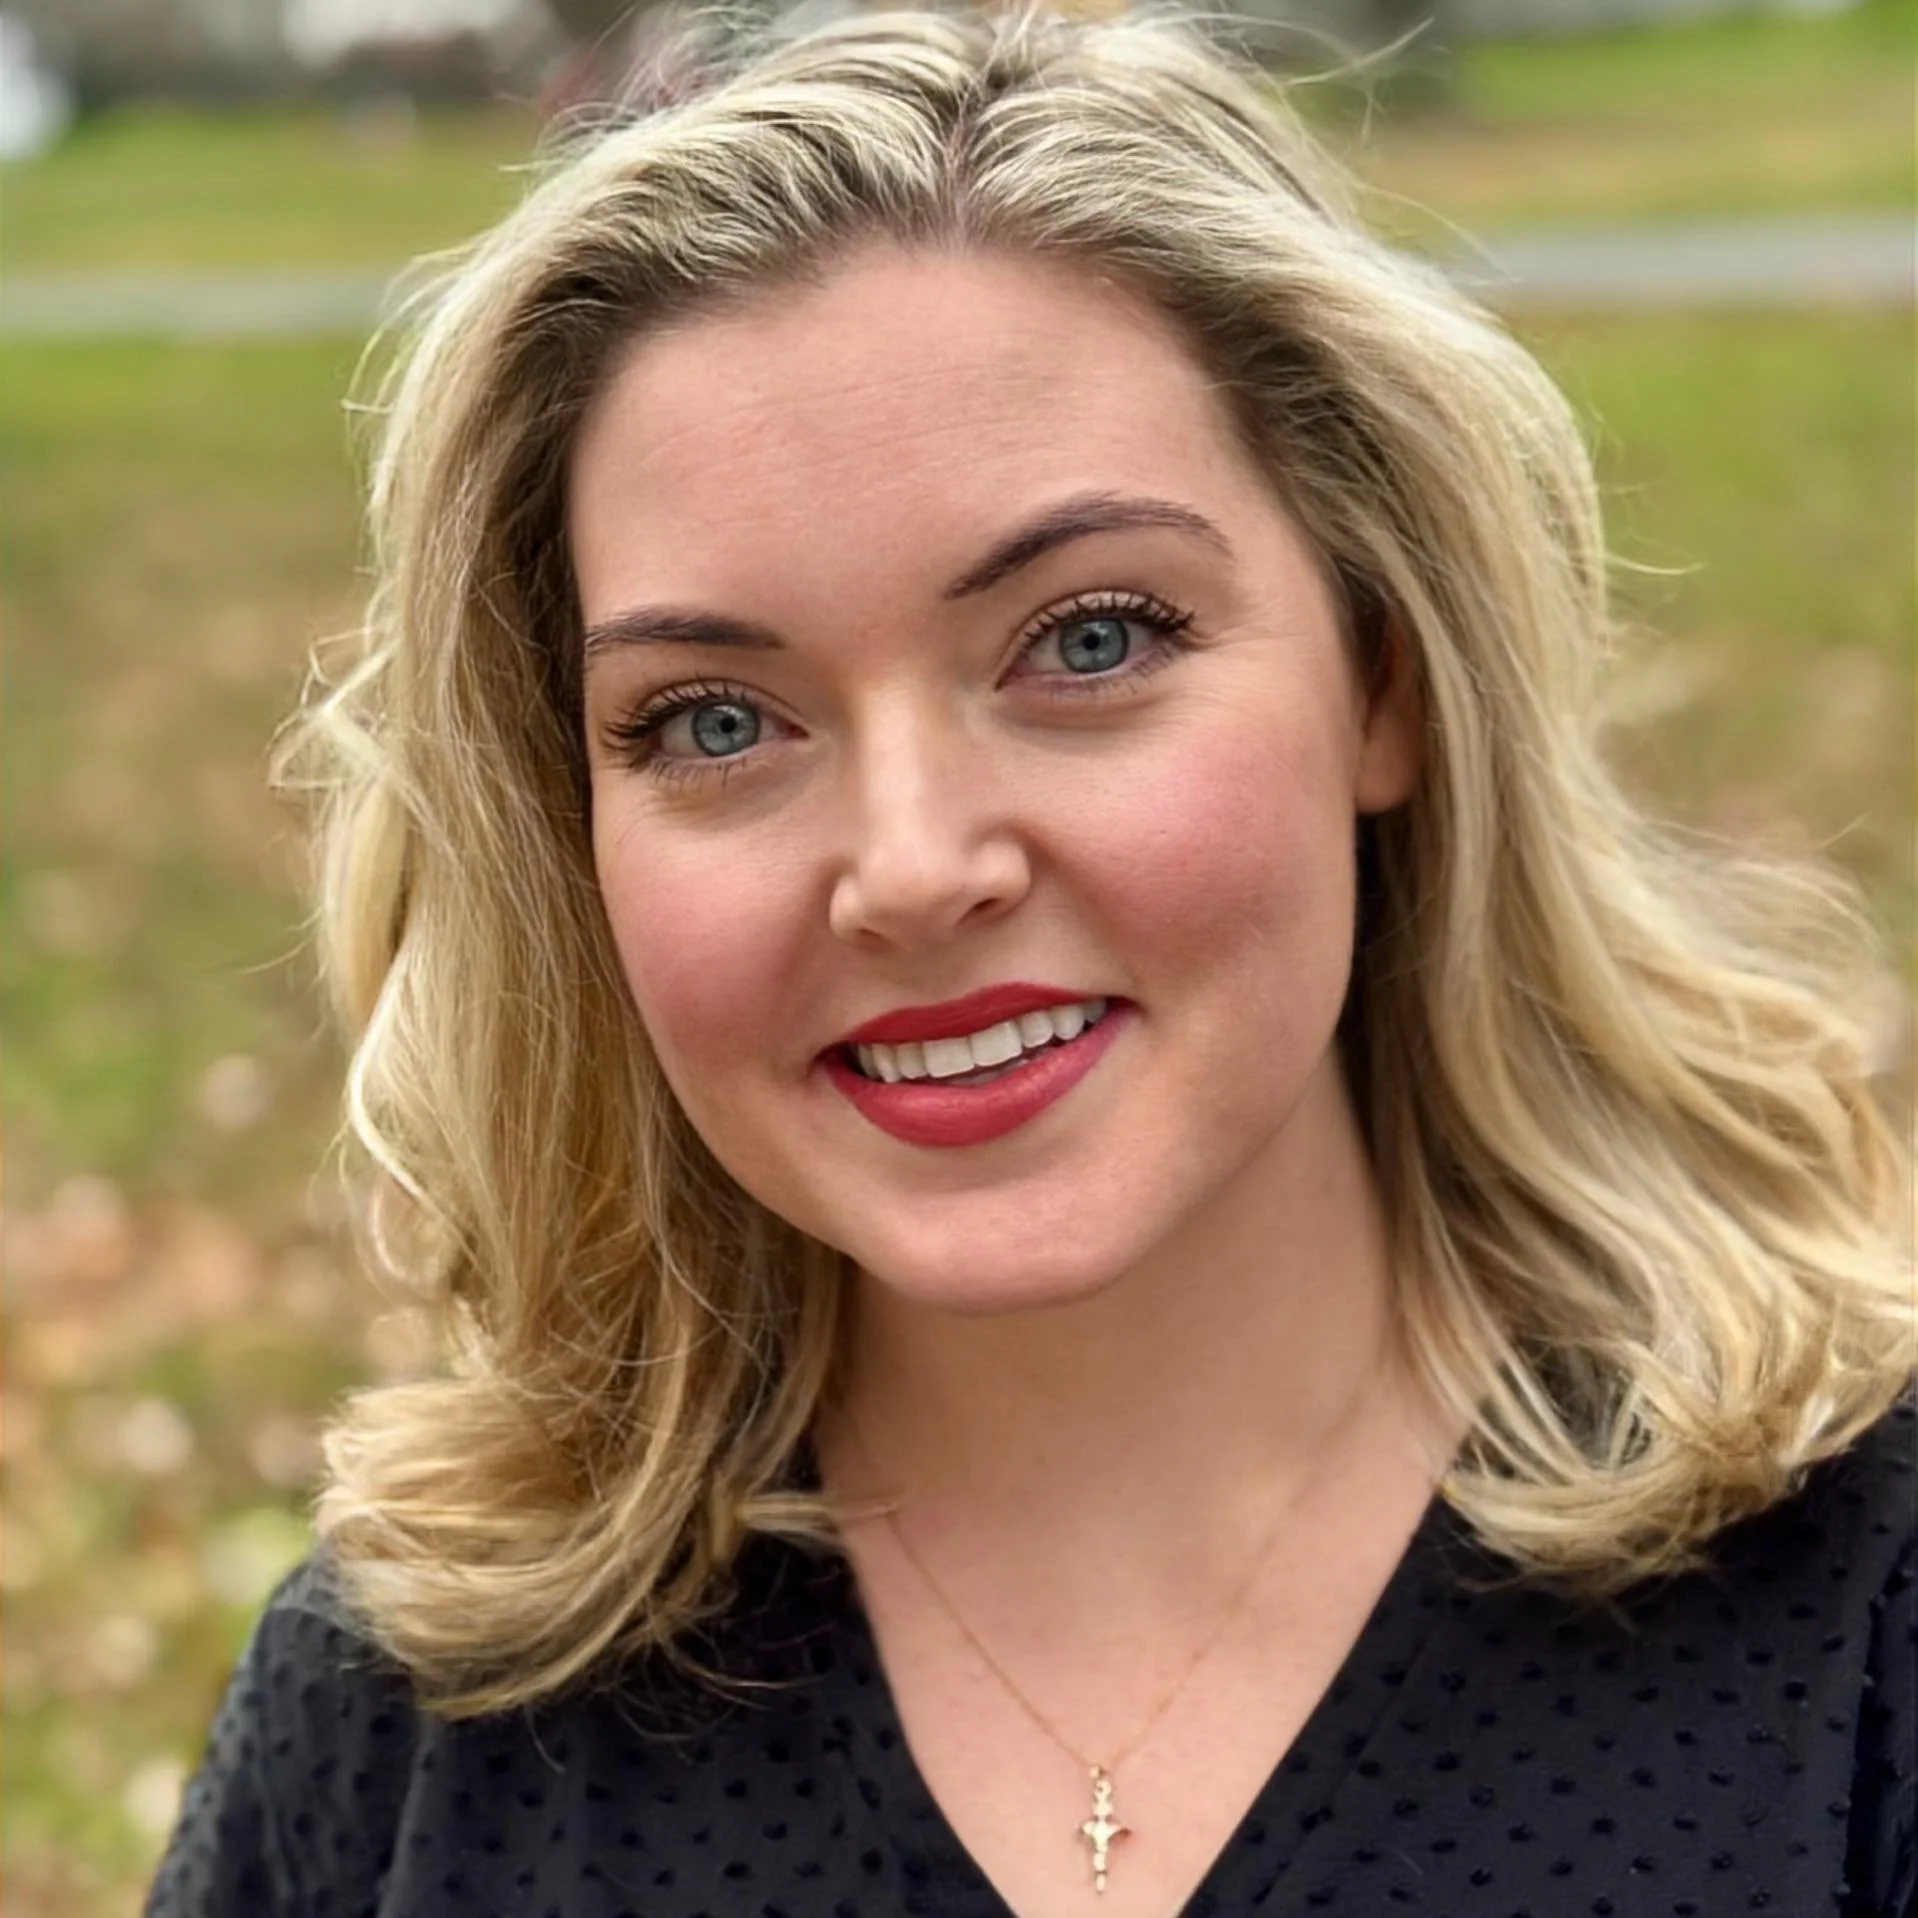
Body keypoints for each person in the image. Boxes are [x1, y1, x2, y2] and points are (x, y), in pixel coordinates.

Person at [146, 11, 1914, 1916]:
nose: (911, 870)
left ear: (1382, 677)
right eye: (715, 723)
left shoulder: (1860, 1620)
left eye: (1086, 640)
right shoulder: (398, 1729)